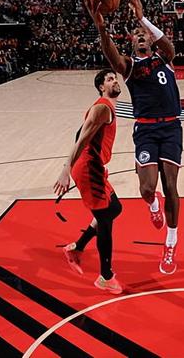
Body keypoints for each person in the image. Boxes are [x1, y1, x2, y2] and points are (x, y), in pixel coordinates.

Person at [85, 0, 182, 274]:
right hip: (146, 130)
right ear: (131, 42)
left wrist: (143, 18)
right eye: (136, 34)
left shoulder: (165, 58)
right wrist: (101, 27)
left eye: (144, 34)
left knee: (171, 186)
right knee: (147, 189)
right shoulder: (129, 67)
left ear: (151, 39)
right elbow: (111, 55)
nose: (140, 36)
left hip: (171, 127)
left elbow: (169, 46)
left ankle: (170, 243)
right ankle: (153, 205)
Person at [54, 69, 124, 294]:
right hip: (88, 168)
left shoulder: (105, 107)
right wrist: (66, 168)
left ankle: (77, 248)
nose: (115, 81)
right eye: (110, 79)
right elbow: (81, 138)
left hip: (94, 165)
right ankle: (105, 276)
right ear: (101, 87)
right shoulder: (103, 107)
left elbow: (80, 133)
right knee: (105, 219)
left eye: (115, 78)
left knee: (114, 208)